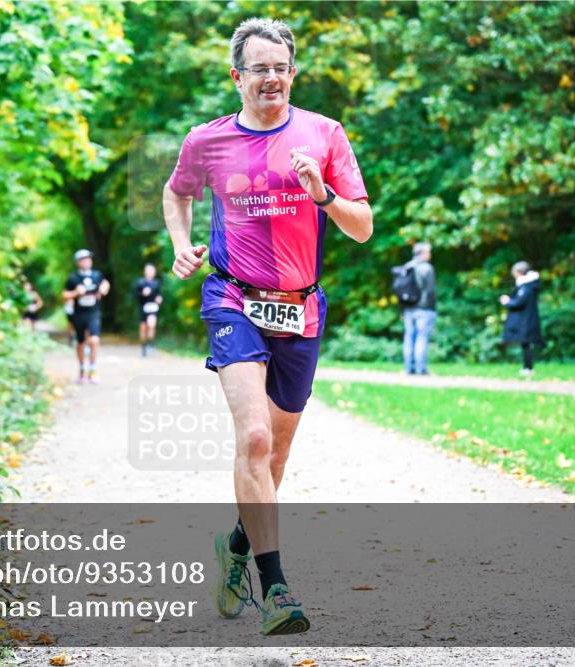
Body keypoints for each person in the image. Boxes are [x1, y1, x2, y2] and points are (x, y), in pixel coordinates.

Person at [163, 17, 372, 635]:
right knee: (254, 439)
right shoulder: (207, 141)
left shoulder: (324, 134)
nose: (272, 78)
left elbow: (363, 227)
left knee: (275, 456)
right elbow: (177, 193)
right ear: (238, 76)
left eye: (281, 68)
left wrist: (323, 195)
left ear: (293, 73)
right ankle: (276, 590)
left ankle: (235, 546)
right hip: (232, 296)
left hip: (300, 307)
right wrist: (180, 244)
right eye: (260, 69)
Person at [62, 249, 110, 384]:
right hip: (78, 314)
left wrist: (104, 289)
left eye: (89, 259)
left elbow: (105, 283)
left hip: (93, 313)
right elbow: (64, 295)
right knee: (81, 343)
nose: (87, 261)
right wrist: (75, 293)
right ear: (78, 262)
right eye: (84, 259)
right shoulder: (73, 278)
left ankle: (93, 370)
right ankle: (82, 370)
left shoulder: (97, 275)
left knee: (94, 340)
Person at [500, 261, 543, 376]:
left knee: (526, 344)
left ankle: (528, 368)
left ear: (518, 272)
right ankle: (527, 367)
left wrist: (507, 302)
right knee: (525, 344)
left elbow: (519, 302)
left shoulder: (526, 287)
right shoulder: (528, 285)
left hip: (526, 320)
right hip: (526, 319)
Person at [400, 242, 437, 375]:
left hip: (408, 308)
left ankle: (409, 368)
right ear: (422, 253)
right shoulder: (427, 268)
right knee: (422, 337)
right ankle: (421, 369)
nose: (430, 255)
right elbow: (430, 291)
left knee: (409, 337)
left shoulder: (407, 266)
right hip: (424, 308)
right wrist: (432, 308)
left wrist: (402, 309)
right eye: (428, 252)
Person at [135, 263, 163, 356]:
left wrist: (159, 298)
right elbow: (136, 296)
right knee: (143, 328)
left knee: (152, 324)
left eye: (152, 270)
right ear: (145, 272)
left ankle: (150, 343)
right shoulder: (140, 283)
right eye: (148, 270)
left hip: (153, 307)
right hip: (143, 307)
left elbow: (159, 294)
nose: (150, 272)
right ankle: (143, 346)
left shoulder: (156, 283)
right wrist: (142, 294)